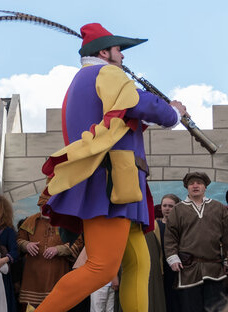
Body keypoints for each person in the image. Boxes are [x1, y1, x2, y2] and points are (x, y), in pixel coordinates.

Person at [37, 23, 187, 312]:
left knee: (139, 264)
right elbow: (140, 103)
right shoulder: (105, 72)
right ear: (104, 52)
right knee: (101, 268)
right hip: (110, 182)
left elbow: (118, 120)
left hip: (118, 182)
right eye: (119, 49)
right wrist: (173, 112)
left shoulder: (84, 80)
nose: (122, 56)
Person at [164, 172, 228, 311]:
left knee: (215, 308)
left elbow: (226, 235)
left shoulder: (218, 208)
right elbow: (170, 237)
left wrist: (227, 259)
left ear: (205, 187)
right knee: (191, 308)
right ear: (187, 187)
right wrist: (172, 257)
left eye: (199, 183)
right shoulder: (178, 209)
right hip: (188, 270)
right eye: (191, 183)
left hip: (214, 269)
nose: (195, 186)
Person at [16, 211, 83, 307]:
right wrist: (27, 245)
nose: (45, 208)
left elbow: (78, 243)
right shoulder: (31, 221)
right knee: (32, 307)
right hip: (33, 279)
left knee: (57, 305)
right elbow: (18, 240)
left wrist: (58, 249)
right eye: (42, 205)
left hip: (57, 275)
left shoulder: (66, 220)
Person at [155, 194, 182, 312]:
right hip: (160, 268)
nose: (167, 208)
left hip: (177, 267)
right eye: (164, 205)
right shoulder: (155, 226)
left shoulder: (181, 226)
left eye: (171, 206)